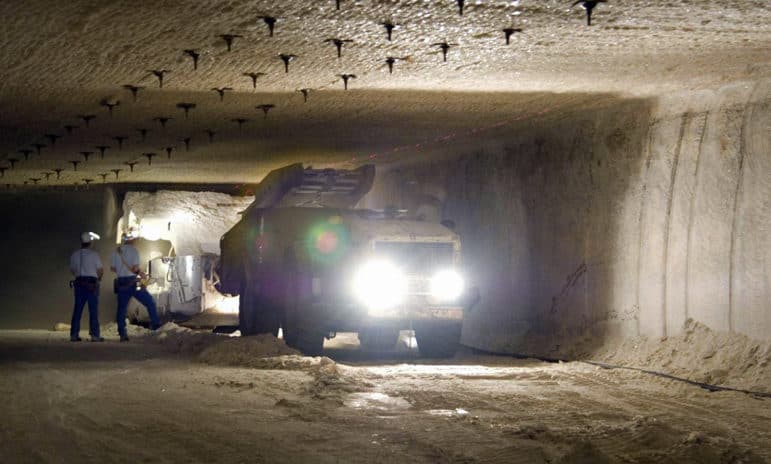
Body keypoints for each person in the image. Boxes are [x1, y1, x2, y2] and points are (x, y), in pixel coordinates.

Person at [110, 230, 161, 341]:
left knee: (121, 309)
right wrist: (141, 274)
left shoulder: (116, 252)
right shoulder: (134, 251)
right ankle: (156, 327)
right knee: (150, 302)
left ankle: (122, 333)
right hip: (132, 282)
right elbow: (135, 268)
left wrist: (121, 270)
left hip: (121, 283)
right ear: (132, 240)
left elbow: (112, 268)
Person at [69, 232, 104, 342]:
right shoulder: (94, 255)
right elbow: (100, 270)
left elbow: (73, 270)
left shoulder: (75, 255)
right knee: (93, 310)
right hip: (91, 284)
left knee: (77, 309)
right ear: (90, 242)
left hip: (79, 283)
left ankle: (74, 335)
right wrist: (99, 279)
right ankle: (95, 335)